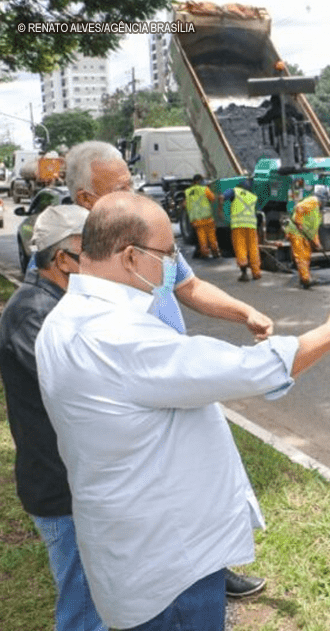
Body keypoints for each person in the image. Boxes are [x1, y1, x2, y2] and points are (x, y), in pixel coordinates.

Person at [35, 192, 330, 631]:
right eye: (167, 253)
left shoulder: (65, 319)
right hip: (170, 567)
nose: (174, 264)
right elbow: (245, 369)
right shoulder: (116, 334)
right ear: (131, 256)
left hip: (137, 548)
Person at [65, 140, 272, 596]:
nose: (133, 190)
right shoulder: (78, 256)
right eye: (120, 186)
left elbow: (190, 285)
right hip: (130, 396)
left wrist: (244, 313)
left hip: (175, 378)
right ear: (85, 200)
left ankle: (212, 570)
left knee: (198, 486)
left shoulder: (143, 229)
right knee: (155, 501)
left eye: (131, 181)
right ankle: (163, 591)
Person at [0, 205, 110, 631]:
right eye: (93, 252)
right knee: (81, 599)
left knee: (94, 584)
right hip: (59, 486)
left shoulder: (58, 303)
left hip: (76, 479)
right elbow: (81, 391)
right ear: (62, 260)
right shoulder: (33, 314)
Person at [219, 177, 262, 282]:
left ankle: (244, 273)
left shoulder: (235, 191)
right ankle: (256, 273)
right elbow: (257, 211)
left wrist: (220, 210)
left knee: (240, 247)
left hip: (238, 225)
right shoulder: (253, 197)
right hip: (251, 226)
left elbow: (221, 197)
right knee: (253, 248)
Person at [285, 185, 326, 289]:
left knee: (307, 256)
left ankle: (304, 278)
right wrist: (298, 223)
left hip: (305, 235)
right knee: (301, 257)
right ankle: (306, 280)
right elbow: (299, 207)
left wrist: (317, 243)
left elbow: (314, 229)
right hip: (296, 231)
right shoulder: (313, 200)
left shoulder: (318, 211)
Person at [184, 173, 220, 259]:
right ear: (199, 181)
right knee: (211, 235)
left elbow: (185, 204)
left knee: (201, 237)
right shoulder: (205, 189)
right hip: (207, 217)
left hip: (196, 219)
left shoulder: (187, 192)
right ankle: (215, 251)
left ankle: (205, 253)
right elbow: (212, 198)